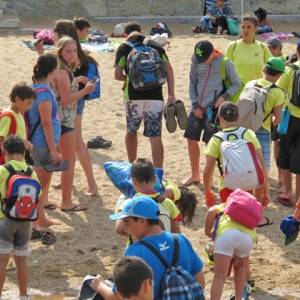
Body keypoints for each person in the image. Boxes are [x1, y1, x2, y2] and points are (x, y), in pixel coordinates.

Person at [91, 196, 205, 299]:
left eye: (127, 221)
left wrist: (100, 285)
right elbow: (201, 282)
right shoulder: (180, 240)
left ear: (142, 221)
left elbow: (117, 297)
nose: (125, 228)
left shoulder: (135, 253)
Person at [114, 22, 176, 168]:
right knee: (155, 136)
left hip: (133, 96)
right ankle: (158, 171)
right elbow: (169, 71)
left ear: (125, 34)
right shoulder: (156, 47)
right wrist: (171, 93)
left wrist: (128, 79)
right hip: (156, 96)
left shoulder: (124, 48)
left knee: (131, 131)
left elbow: (117, 75)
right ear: (142, 31)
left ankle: (132, 166)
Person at [183, 40, 241, 186]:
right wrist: (195, 104)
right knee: (191, 139)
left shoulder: (225, 62)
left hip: (214, 111)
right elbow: (192, 83)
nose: (201, 62)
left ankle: (215, 179)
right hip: (197, 107)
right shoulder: (196, 61)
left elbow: (237, 83)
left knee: (212, 144)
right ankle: (195, 175)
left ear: (212, 53)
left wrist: (224, 97)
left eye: (204, 59)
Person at [52, 20, 100, 196]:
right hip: (71, 100)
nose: (52, 34)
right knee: (66, 142)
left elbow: (67, 77)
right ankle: (66, 179)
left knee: (77, 142)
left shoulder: (71, 52)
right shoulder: (73, 50)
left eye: (54, 31)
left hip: (74, 102)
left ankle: (92, 184)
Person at [203, 102, 269, 208]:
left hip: (227, 185)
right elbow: (261, 164)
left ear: (220, 118)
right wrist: (266, 191)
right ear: (238, 118)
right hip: (248, 183)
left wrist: (207, 193)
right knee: (246, 217)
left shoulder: (216, 139)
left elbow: (207, 171)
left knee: (230, 219)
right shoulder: (248, 133)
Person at [0, 137, 39, 300]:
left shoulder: (3, 170)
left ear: (5, 152)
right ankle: (23, 296)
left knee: (2, 261)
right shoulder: (32, 172)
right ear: (24, 153)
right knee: (21, 260)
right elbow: (39, 196)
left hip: (5, 219)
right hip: (26, 221)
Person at [27, 54, 61, 234]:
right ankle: (33, 223)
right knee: (40, 185)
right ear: (52, 70)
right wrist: (54, 149)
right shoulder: (45, 93)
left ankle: (40, 218)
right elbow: (46, 122)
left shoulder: (34, 88)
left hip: (36, 142)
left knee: (41, 184)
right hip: (42, 144)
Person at [238, 57, 285, 185]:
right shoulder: (278, 92)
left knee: (244, 161)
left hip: (244, 128)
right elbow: (277, 118)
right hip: (263, 130)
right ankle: (260, 195)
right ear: (279, 75)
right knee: (262, 166)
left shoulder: (250, 83)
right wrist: (271, 124)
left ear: (264, 69)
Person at [204, 190, 259, 300]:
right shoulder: (246, 213)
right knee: (240, 268)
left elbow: (207, 231)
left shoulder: (218, 208)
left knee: (219, 276)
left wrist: (215, 239)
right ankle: (239, 298)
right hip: (247, 239)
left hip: (226, 235)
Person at [115, 158, 182, 238]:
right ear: (155, 179)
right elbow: (177, 233)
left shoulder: (129, 204)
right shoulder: (168, 203)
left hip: (139, 249)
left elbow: (119, 229)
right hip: (164, 248)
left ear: (133, 181)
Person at [276, 41, 300, 207]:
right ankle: (299, 197)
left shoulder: (291, 69)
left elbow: (277, 89)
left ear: (297, 51)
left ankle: (287, 192)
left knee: (284, 152)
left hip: (290, 117)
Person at [225, 15, 272, 87]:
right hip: (236, 92)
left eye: (249, 27)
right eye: (243, 27)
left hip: (255, 92)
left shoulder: (263, 47)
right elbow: (225, 70)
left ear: (256, 29)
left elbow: (271, 68)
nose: (245, 30)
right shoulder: (232, 46)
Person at [0, 83, 36, 163]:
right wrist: (23, 144)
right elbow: (1, 140)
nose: (30, 107)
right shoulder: (8, 116)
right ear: (17, 100)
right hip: (9, 164)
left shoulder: (19, 114)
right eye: (28, 103)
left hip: (18, 162)